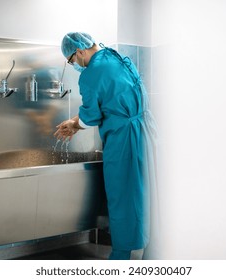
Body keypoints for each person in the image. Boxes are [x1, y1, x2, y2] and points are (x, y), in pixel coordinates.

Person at [54, 32, 159, 260]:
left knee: (123, 195)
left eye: (71, 61)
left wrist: (73, 124)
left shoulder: (91, 74)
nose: (74, 66)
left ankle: (121, 256)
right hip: (146, 131)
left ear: (79, 51)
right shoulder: (114, 56)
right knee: (150, 193)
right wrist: (75, 122)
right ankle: (155, 254)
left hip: (124, 139)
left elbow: (91, 115)